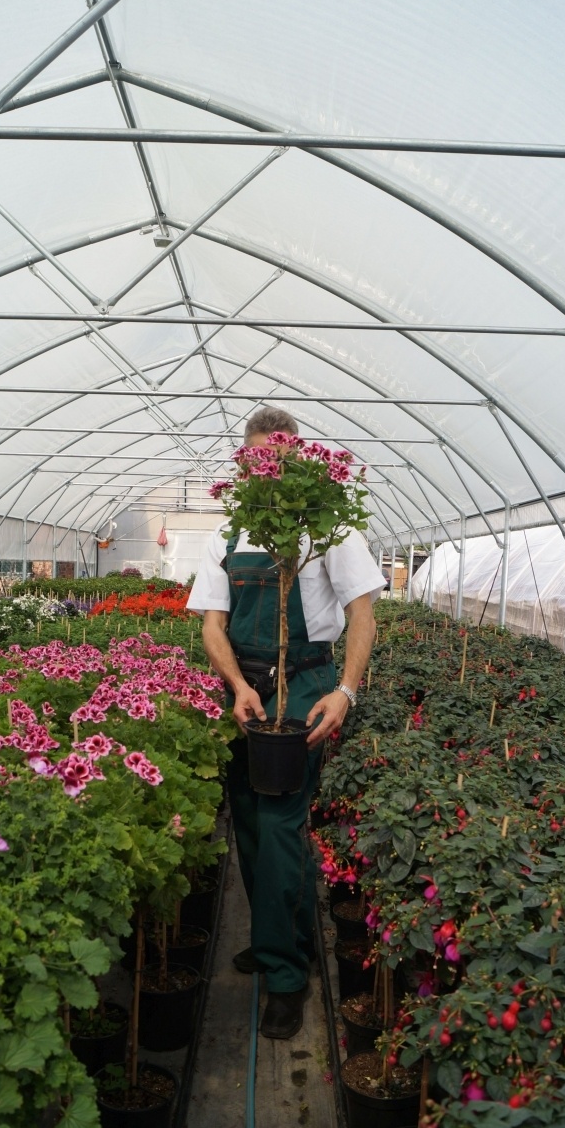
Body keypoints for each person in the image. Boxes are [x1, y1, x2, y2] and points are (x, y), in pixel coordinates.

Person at [187, 407, 386, 1039]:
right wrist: (240, 686)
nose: (271, 468)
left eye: (282, 456)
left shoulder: (329, 527)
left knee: (277, 825)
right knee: (249, 822)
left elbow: (362, 615)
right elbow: (212, 626)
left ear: (298, 457)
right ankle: (290, 937)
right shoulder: (227, 533)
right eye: (259, 459)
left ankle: (285, 975)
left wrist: (346, 692)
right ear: (245, 462)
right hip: (244, 689)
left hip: (304, 684)